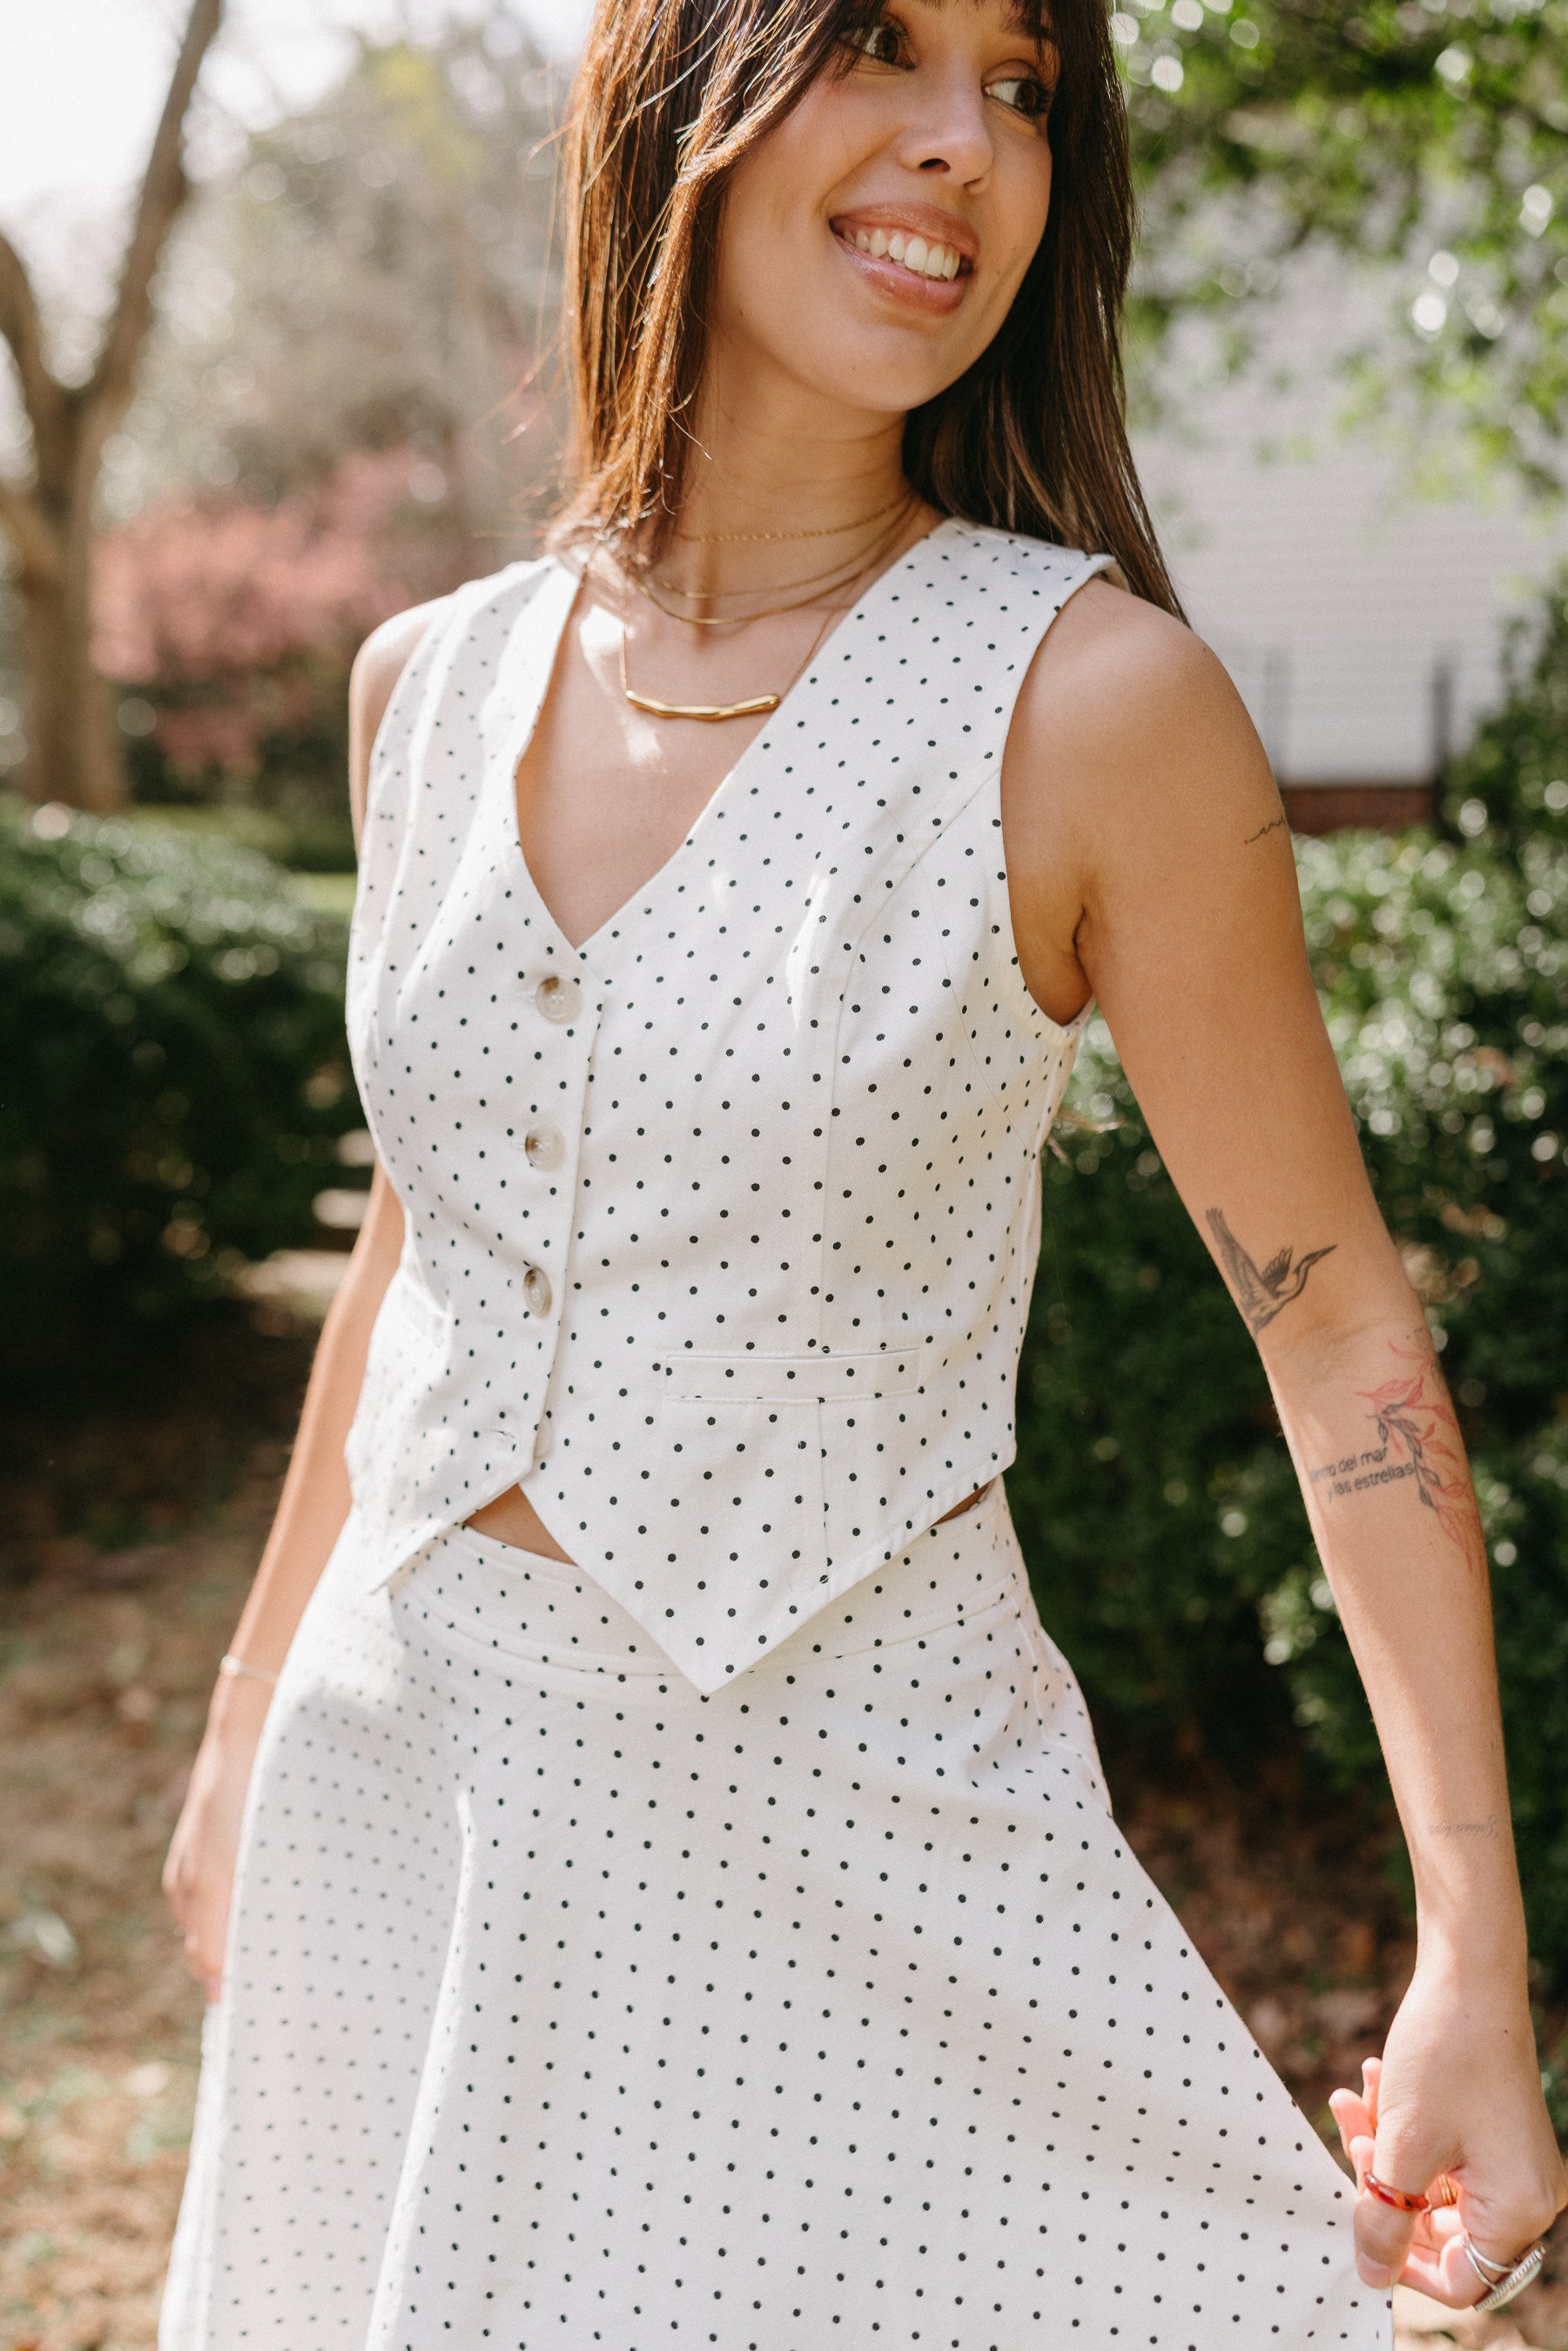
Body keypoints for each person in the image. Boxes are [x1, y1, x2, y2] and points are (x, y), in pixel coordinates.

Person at [159, 0, 1565, 2342]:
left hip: (862, 1858)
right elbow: (428, 1237)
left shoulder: (1096, 707)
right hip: (390, 1797)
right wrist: (238, 1719)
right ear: (676, 91)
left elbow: (1331, 1326)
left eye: (1019, 87)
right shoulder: (423, 681)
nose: (960, 144)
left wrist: (1468, 1960)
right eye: (883, 50)